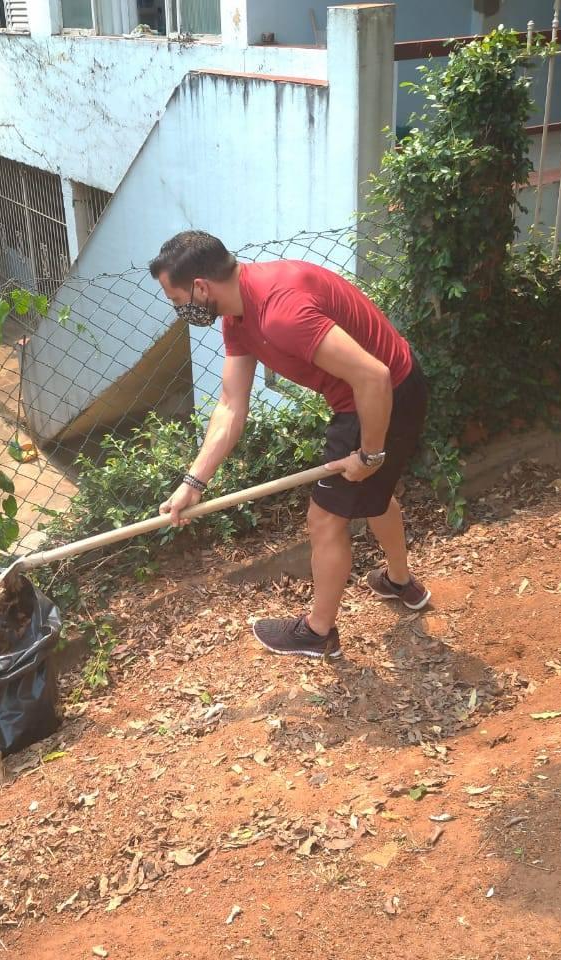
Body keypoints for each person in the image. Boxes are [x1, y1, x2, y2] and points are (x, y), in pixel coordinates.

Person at [149, 230, 430, 660]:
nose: (179, 310)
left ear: (201, 287)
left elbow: (373, 377)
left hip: (381, 394)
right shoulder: (238, 317)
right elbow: (230, 405)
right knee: (375, 496)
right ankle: (399, 582)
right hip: (380, 389)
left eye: (177, 300)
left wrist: (370, 454)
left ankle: (317, 633)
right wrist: (193, 482)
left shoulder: (282, 311)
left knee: (324, 520)